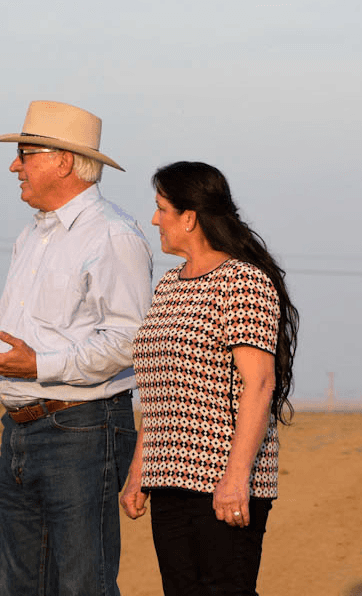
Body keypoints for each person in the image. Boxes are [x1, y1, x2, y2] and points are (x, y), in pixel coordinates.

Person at [0, 100, 153, 596]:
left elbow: (131, 341)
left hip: (82, 429)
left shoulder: (113, 235)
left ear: (63, 161)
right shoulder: (32, 236)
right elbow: (38, 332)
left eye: (25, 154)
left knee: (82, 585)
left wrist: (37, 364)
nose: (14, 167)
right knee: (23, 587)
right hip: (21, 430)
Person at [120, 161, 299, 595]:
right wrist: (139, 470)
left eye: (162, 208)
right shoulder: (168, 286)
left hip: (225, 481)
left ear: (190, 217)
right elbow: (160, 389)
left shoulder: (243, 281)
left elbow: (260, 384)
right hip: (169, 479)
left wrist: (236, 477)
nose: (154, 219)